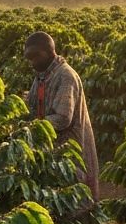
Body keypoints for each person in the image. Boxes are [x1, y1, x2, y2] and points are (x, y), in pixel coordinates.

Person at [23, 32, 99, 201]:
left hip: (69, 148)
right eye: (30, 59)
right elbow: (35, 102)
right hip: (51, 149)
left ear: (50, 52)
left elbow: (63, 117)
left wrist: (33, 127)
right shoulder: (42, 75)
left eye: (36, 57)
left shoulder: (65, 76)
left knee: (75, 196)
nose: (33, 62)